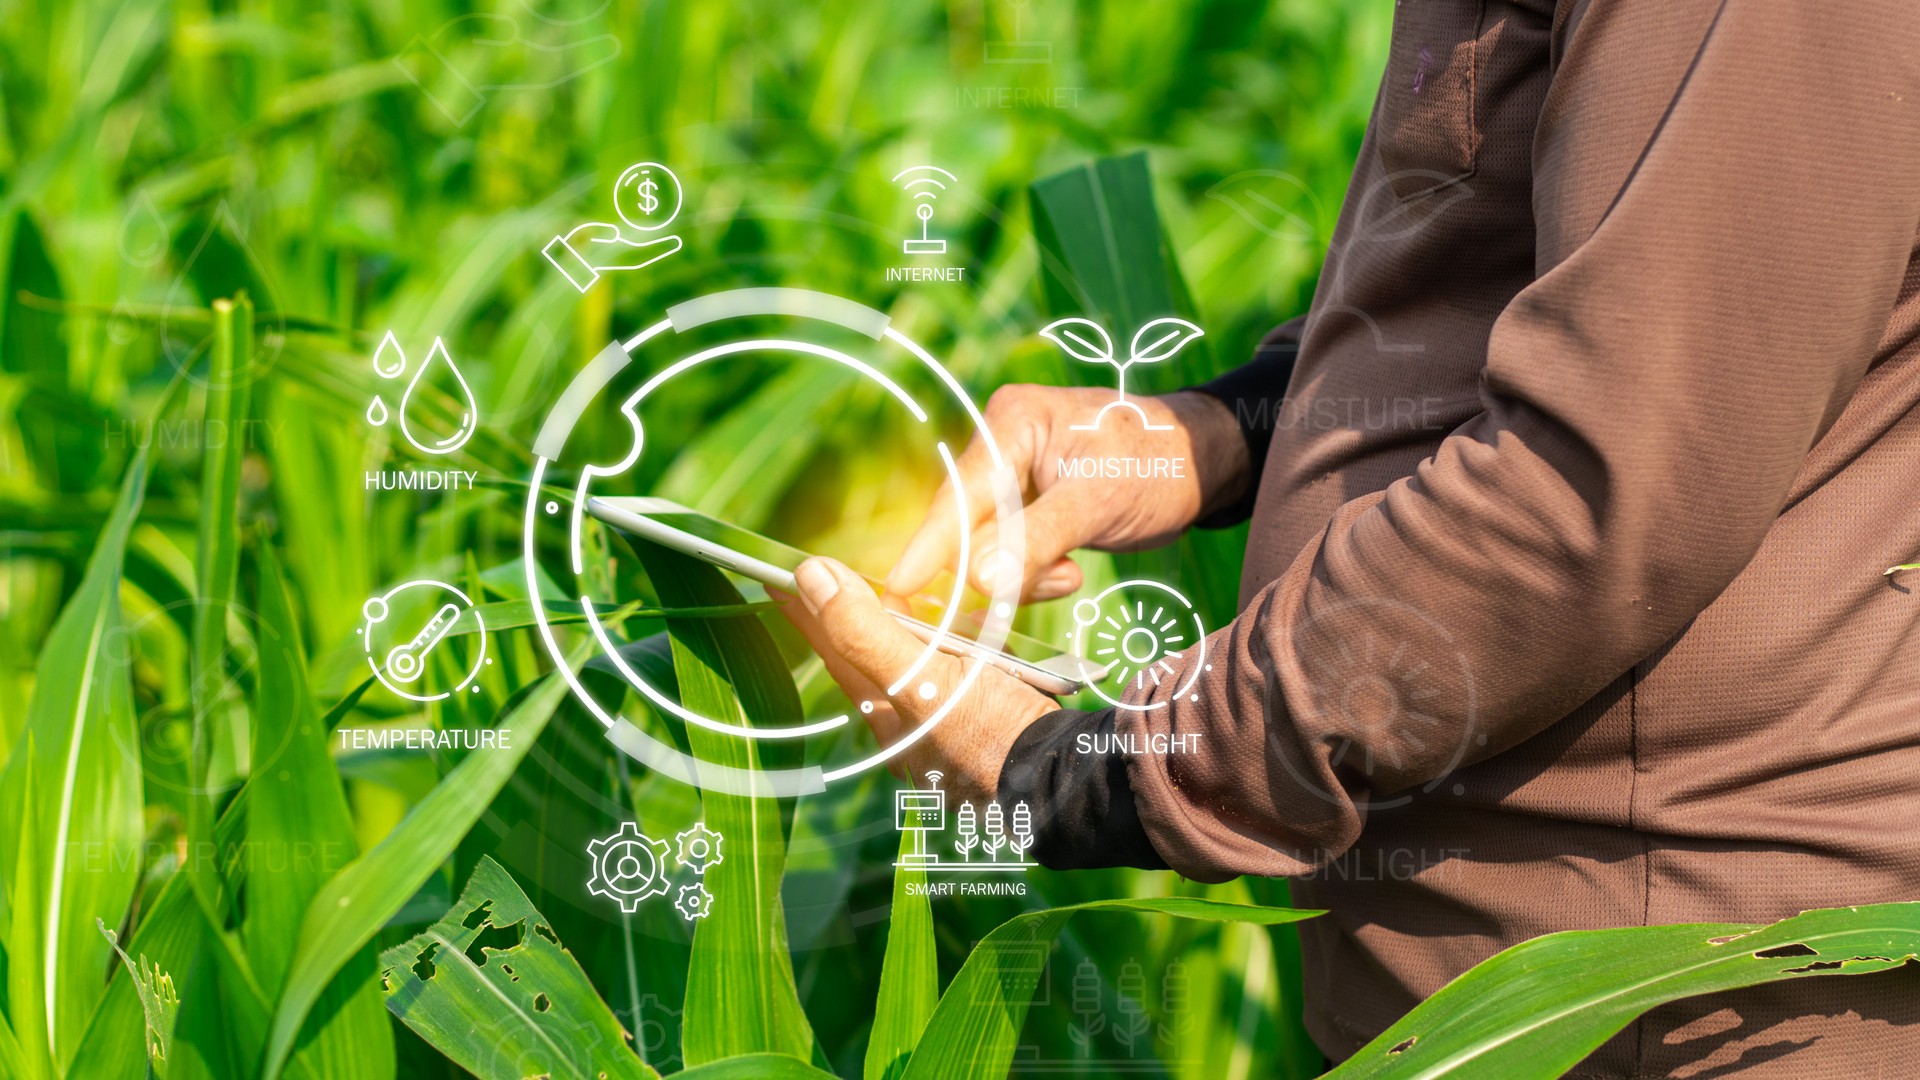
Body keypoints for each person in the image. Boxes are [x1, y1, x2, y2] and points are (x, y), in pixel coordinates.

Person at [786, 2, 1920, 1074]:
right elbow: (1532, 271)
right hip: (1499, 990)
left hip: (1656, 1001)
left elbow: (1601, 489)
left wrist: (1107, 773)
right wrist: (1222, 429)